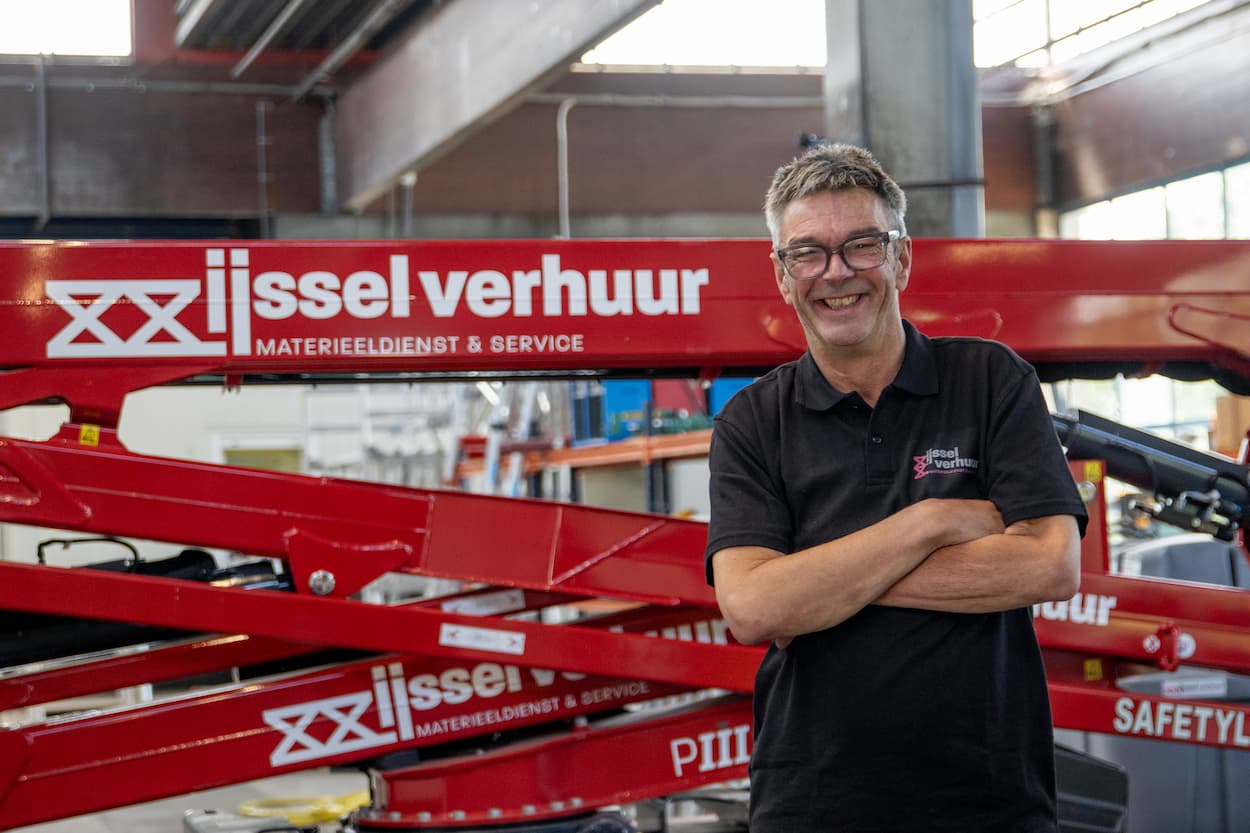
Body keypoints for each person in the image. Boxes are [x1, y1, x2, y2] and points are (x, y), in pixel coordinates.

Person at [705, 143, 1087, 833]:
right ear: (783, 275)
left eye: (862, 245)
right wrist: (930, 521)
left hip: (989, 800)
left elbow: (1050, 564)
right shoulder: (751, 423)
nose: (836, 272)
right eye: (808, 253)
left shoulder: (992, 382)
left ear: (902, 257)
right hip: (812, 806)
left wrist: (812, 582)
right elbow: (755, 609)